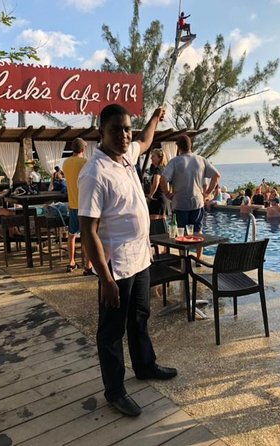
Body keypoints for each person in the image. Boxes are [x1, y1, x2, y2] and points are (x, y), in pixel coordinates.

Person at [79, 104, 177, 418]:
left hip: (140, 259)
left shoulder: (126, 157)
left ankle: (145, 366)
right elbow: (88, 231)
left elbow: (145, 140)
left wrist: (155, 118)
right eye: (116, 130)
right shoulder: (94, 173)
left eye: (126, 129)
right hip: (116, 267)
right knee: (111, 331)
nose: (124, 135)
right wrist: (105, 279)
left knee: (140, 318)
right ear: (101, 133)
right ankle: (115, 391)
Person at [161, 134, 221, 264]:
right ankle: (199, 259)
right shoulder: (201, 160)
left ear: (178, 147)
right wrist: (207, 193)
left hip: (179, 203)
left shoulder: (175, 161)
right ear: (191, 145)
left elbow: (163, 178)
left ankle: (184, 261)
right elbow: (216, 175)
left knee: (181, 233)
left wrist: (167, 193)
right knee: (198, 231)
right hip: (197, 202)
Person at [62, 138, 93, 275]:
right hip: (85, 204)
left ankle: (71, 262)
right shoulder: (86, 163)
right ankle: (88, 265)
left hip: (73, 204)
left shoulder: (66, 163)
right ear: (83, 149)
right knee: (87, 237)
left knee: (72, 235)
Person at [145, 148, 170, 221]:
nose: (151, 158)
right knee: (161, 221)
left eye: (153, 156)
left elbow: (156, 182)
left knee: (155, 221)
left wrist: (150, 195)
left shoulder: (158, 169)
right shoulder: (163, 168)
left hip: (157, 198)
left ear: (159, 158)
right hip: (162, 198)